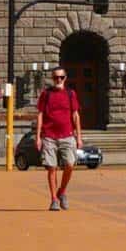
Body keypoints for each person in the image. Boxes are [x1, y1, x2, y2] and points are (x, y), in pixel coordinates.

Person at [35, 66, 81, 211]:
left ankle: (62, 191)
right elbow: (40, 115)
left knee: (70, 164)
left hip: (67, 135)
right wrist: (38, 137)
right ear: (52, 78)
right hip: (49, 136)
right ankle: (54, 199)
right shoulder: (46, 94)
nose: (58, 80)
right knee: (52, 168)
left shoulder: (70, 94)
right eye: (55, 77)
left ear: (65, 78)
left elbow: (75, 115)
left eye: (61, 77)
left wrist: (79, 137)